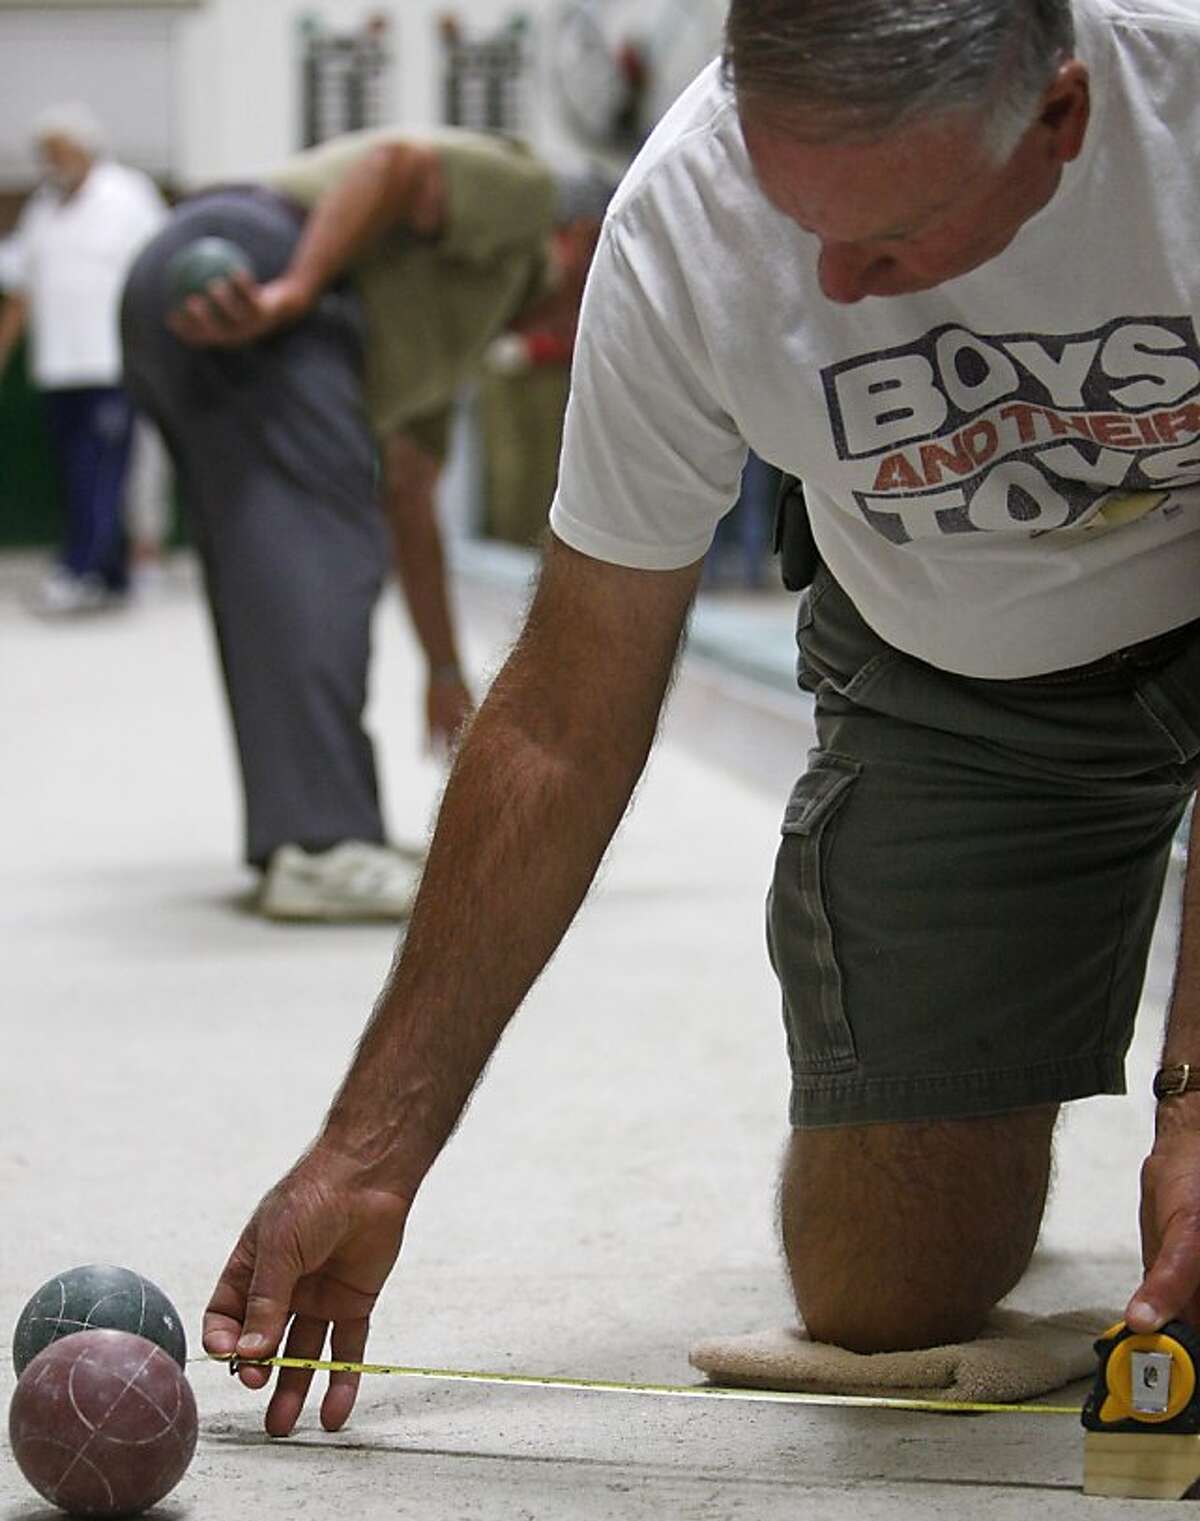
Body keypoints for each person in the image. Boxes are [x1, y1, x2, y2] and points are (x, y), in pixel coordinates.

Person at [204, 0, 1200, 1435]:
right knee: (879, 1291)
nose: (842, 292)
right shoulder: (686, 216)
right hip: (955, 662)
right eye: (803, 227)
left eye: (896, 236)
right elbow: (562, 708)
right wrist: (371, 1145)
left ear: (1058, 119)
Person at [121, 133, 608, 922]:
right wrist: (296, 290)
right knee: (328, 552)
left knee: (271, 577)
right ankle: (322, 845)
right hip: (257, 262)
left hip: (191, 311)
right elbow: (397, 167)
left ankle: (303, 837)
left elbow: (411, 504)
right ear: (589, 242)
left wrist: (445, 672)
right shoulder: (528, 201)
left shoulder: (455, 338)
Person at [0, 105, 166, 614]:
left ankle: (81, 568)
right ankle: (110, 572)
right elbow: (20, 287)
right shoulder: (43, 209)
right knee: (75, 470)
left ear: (85, 148)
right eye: (44, 153)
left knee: (102, 471)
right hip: (58, 367)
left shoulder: (128, 196)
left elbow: (159, 268)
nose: (50, 161)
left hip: (111, 364)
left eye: (59, 150)